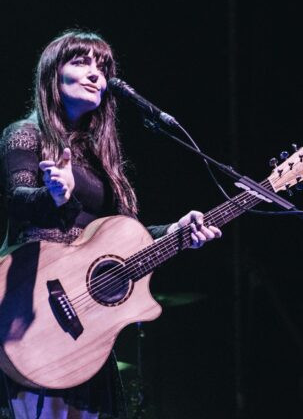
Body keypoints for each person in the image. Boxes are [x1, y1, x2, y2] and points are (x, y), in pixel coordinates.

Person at [0, 30, 221, 419]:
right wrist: (54, 195)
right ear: (52, 74)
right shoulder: (25, 134)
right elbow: (19, 203)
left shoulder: (100, 160)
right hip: (34, 315)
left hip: (87, 331)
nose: (95, 75)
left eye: (102, 67)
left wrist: (174, 232)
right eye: (81, 62)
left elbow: (121, 239)